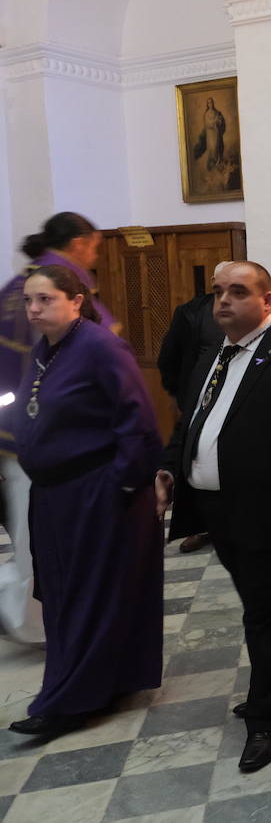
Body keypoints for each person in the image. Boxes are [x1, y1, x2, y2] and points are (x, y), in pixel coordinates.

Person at [156, 261, 271, 773]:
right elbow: (190, 425)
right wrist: (170, 470)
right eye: (218, 292)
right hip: (221, 510)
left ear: (267, 301)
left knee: (264, 613)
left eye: (238, 292)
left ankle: (267, 717)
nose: (223, 301)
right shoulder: (209, 358)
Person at [7, 265, 163, 737]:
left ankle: (69, 702)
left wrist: (118, 488)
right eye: (30, 301)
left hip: (97, 494)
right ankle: (103, 683)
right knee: (62, 596)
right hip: (57, 496)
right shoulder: (45, 350)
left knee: (89, 597)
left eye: (45, 300)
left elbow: (138, 425)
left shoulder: (100, 347)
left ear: (75, 301)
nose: (34, 310)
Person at [0, 212, 113, 645]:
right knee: (41, 537)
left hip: (20, 434)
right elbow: (100, 344)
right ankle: (28, 619)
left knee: (34, 530)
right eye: (95, 247)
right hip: (52, 436)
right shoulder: (61, 284)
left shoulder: (19, 285)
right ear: (81, 243)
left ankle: (35, 618)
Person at [156, 260, 232, 555]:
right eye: (220, 286)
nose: (227, 299)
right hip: (201, 395)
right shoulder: (191, 313)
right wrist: (182, 393)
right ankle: (202, 526)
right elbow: (170, 358)